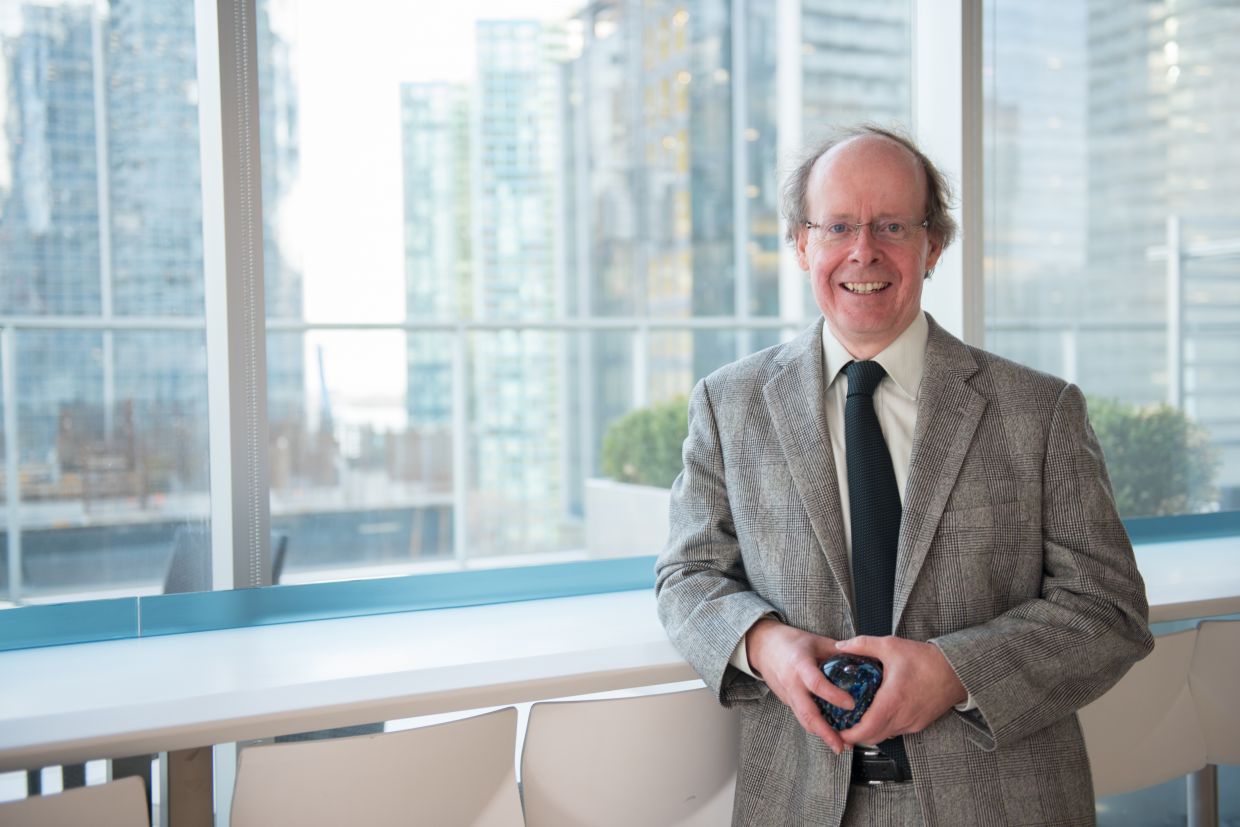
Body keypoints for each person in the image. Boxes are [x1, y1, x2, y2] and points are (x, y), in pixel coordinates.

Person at [654, 124, 1153, 826]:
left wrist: (956, 673)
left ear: (933, 244)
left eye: (893, 225)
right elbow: (688, 576)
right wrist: (762, 642)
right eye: (838, 226)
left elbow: (1110, 609)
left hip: (1001, 800)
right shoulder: (727, 404)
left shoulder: (1039, 411)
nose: (864, 251)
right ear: (801, 243)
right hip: (799, 799)